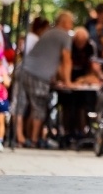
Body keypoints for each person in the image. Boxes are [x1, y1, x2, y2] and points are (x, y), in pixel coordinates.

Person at [18, 11, 74, 148]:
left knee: (21, 105)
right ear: (65, 22)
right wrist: (67, 81)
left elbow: (49, 58)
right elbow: (66, 60)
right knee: (39, 108)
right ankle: (34, 139)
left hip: (23, 69)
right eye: (71, 23)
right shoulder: (64, 36)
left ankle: (20, 137)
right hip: (38, 75)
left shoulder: (48, 33)